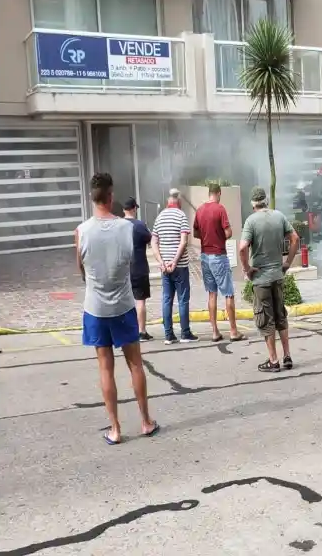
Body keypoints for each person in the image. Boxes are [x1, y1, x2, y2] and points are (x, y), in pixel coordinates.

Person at [76, 173, 160, 445]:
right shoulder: (128, 228)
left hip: (96, 308)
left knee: (105, 369)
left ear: (92, 197)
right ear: (111, 196)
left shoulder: (81, 231)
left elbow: (81, 270)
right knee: (135, 364)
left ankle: (115, 428)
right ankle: (146, 421)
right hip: (124, 305)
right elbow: (130, 261)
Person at [238, 187, 299, 372]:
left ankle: (273, 361)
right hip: (278, 276)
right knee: (281, 316)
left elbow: (242, 248)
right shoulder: (279, 216)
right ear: (265, 201)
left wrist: (247, 269)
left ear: (252, 204)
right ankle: (287, 356)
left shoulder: (251, 221)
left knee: (267, 320)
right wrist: (287, 262)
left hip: (261, 278)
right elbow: (295, 238)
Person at [192, 182, 245, 342]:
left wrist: (207, 237)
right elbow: (228, 232)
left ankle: (215, 332)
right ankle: (233, 331)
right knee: (228, 293)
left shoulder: (200, 210)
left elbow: (195, 232)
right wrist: (221, 236)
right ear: (219, 193)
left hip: (205, 256)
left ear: (209, 193)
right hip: (219, 256)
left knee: (212, 294)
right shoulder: (220, 209)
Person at [152, 188, 197, 344]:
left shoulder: (159, 217)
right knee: (183, 299)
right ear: (179, 202)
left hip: (165, 267)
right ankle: (185, 333)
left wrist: (161, 261)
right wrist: (175, 261)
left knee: (167, 299)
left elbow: (154, 242)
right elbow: (183, 241)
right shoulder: (181, 216)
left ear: (167, 202)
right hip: (180, 266)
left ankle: (168, 335)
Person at [123, 198, 154, 342]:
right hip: (139, 267)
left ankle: (127, 330)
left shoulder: (118, 225)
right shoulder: (140, 225)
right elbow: (151, 240)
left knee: (124, 301)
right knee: (140, 300)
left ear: (124, 210)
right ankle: (141, 331)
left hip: (122, 269)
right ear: (134, 209)